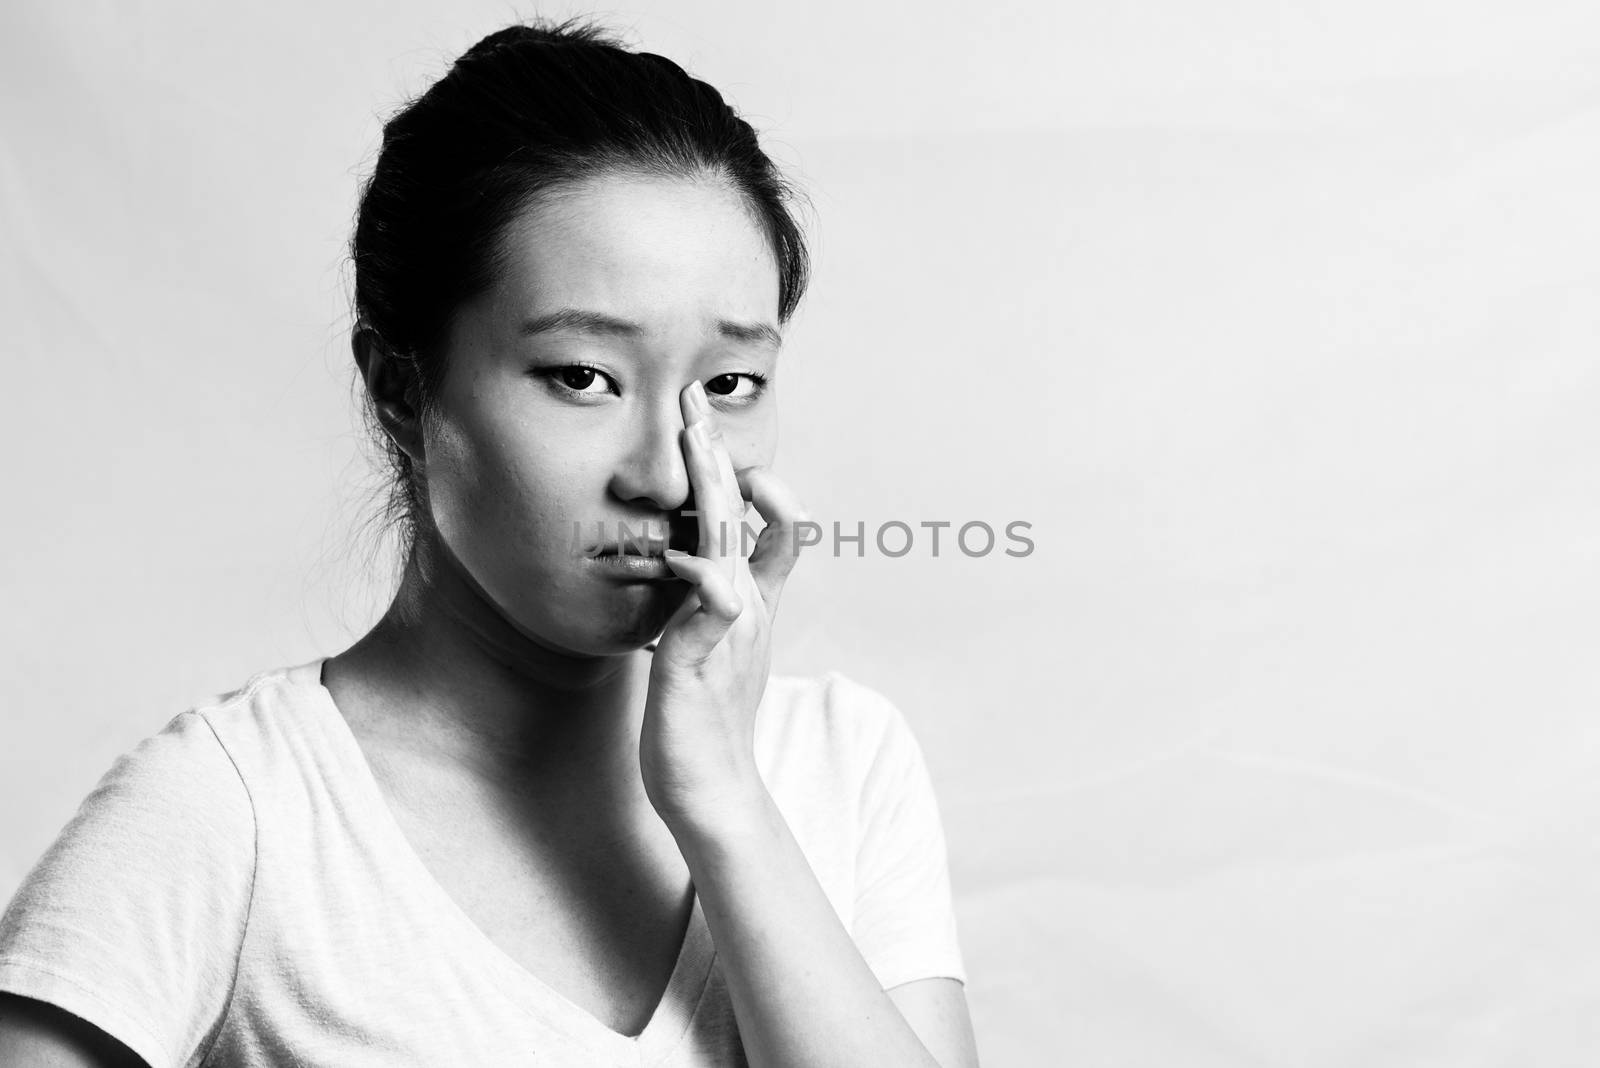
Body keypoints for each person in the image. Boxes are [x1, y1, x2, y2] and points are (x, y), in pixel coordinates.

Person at [0, 16, 979, 1068]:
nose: (661, 473)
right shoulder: (235, 814)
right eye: (581, 377)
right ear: (403, 392)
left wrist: (724, 803)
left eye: (728, 384)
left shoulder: (837, 763)